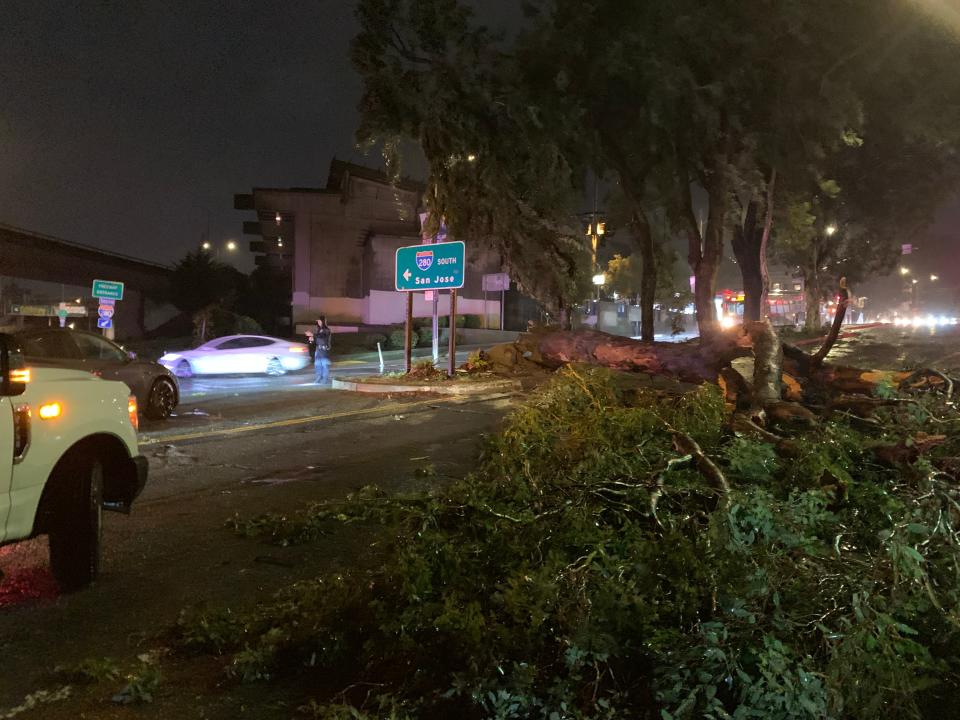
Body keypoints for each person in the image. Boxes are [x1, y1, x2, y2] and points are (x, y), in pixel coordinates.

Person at [313, 315, 332, 384]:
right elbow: (317, 339)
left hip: (324, 349)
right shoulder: (319, 330)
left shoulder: (327, 330)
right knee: (317, 364)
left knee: (324, 364)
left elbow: (322, 336)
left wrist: (313, 335)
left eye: (319, 321)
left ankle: (325, 378)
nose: (318, 322)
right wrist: (312, 340)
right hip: (318, 349)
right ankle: (319, 377)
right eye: (318, 321)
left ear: (323, 321)